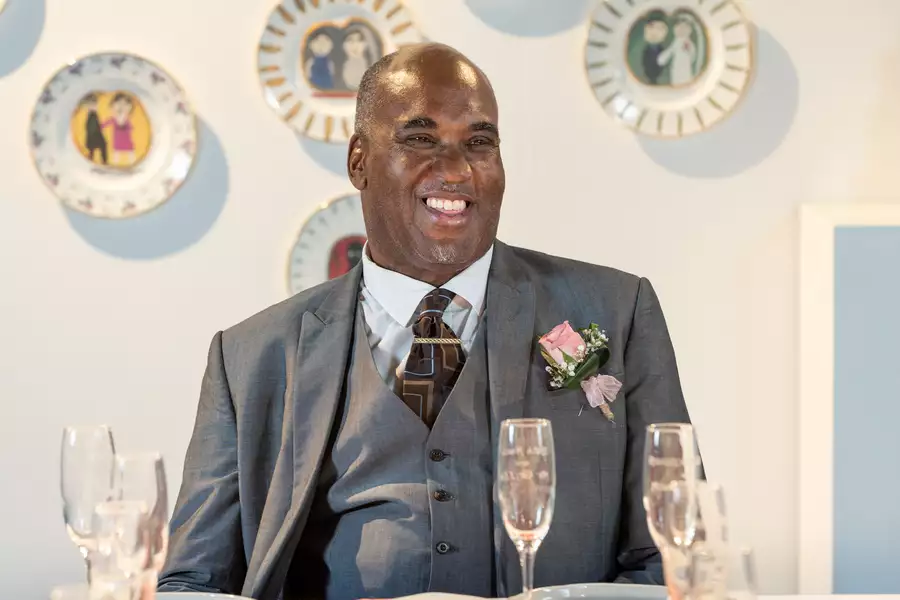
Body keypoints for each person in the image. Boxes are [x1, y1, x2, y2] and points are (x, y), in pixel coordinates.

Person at [159, 43, 696, 600]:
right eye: (421, 140)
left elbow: (678, 551)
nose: (457, 170)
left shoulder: (615, 311)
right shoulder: (250, 356)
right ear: (359, 161)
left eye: (480, 143)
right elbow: (192, 583)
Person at [79, 93, 108, 165]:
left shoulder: (93, 114)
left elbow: (91, 125)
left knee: (98, 147)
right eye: (94, 105)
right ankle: (101, 161)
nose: (96, 106)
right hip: (94, 135)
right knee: (101, 146)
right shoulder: (92, 115)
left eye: (95, 104)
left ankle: (98, 160)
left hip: (94, 135)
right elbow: (90, 126)